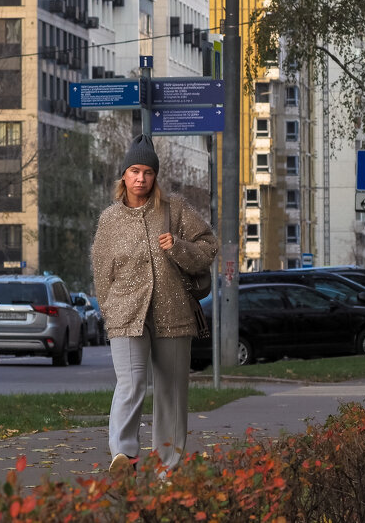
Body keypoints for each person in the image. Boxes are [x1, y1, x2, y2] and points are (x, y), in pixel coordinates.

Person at [91, 134, 217, 477]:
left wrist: (176, 246)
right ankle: (124, 456)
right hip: (125, 315)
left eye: (147, 172)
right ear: (123, 175)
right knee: (130, 382)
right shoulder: (110, 220)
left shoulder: (175, 210)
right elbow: (102, 273)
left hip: (173, 312)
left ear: (155, 176)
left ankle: (168, 468)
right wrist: (111, 311)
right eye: (134, 170)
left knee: (171, 391)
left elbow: (208, 247)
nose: (141, 178)